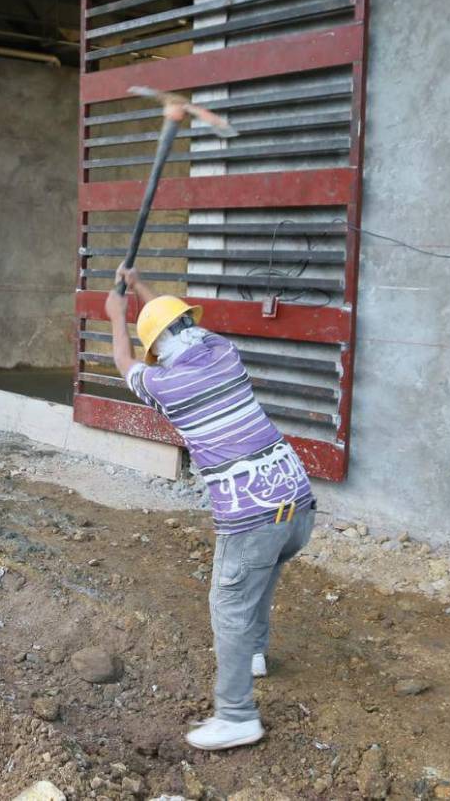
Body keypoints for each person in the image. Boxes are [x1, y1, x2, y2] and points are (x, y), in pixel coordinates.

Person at [105, 265, 315, 752]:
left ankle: (238, 715)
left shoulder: (165, 386)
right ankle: (255, 655)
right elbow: (176, 326)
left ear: (157, 351)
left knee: (229, 605)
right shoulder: (224, 352)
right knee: (260, 579)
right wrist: (139, 287)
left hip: (252, 512)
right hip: (298, 502)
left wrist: (117, 313)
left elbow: (124, 360)